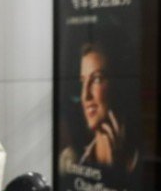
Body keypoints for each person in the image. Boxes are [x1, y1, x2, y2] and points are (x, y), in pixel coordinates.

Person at [59, 42, 138, 173]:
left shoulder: (139, 164)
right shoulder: (69, 161)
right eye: (83, 81)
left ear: (118, 86)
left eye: (97, 79)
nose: (85, 96)